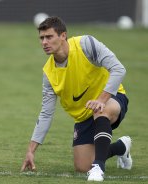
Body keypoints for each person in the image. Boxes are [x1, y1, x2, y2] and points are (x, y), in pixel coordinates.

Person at [21, 16, 132, 181]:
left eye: (49, 37)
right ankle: (121, 147)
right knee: (81, 167)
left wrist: (101, 99)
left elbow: (118, 69)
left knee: (101, 111)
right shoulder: (48, 73)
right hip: (83, 116)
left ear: (63, 35)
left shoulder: (86, 44)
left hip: (111, 99)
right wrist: (31, 150)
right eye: (42, 38)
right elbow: (46, 113)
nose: (44, 42)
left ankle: (98, 168)